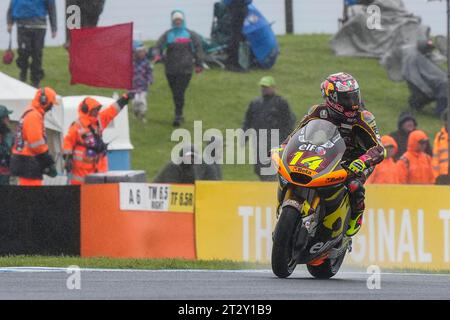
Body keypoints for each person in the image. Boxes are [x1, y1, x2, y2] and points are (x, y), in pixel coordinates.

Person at [283, 73, 385, 237]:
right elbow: (297, 134)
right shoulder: (318, 111)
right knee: (287, 173)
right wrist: (283, 147)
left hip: (355, 160)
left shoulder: (365, 117)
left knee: (354, 186)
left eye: (354, 96)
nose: (352, 103)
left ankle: (355, 217)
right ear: (332, 98)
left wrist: (363, 161)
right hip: (324, 155)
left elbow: (379, 148)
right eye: (346, 98)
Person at [62, 93, 133, 185]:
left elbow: (112, 111)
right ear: (86, 110)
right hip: (82, 173)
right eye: (94, 110)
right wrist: (68, 157)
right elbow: (68, 141)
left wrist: (124, 99)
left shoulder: (98, 120)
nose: (97, 112)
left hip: (99, 169)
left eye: (97, 109)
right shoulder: (77, 126)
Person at [153, 10, 204, 127]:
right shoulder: (168, 34)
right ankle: (179, 113)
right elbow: (158, 46)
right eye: (175, 20)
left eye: (179, 20)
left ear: (183, 21)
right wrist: (157, 55)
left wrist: (199, 64)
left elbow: (198, 49)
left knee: (179, 92)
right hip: (170, 69)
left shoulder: (191, 34)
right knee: (175, 92)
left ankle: (178, 115)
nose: (177, 22)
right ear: (172, 21)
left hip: (185, 69)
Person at [243, 76, 296, 181]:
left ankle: (272, 187)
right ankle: (265, 186)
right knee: (259, 167)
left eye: (266, 87)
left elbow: (289, 121)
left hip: (276, 142)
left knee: (273, 167)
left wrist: (286, 139)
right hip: (259, 141)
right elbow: (248, 121)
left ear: (273, 87)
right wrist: (244, 137)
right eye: (262, 86)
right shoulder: (255, 103)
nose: (264, 89)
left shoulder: (281, 103)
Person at [10, 87, 58, 186]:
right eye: (50, 104)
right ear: (44, 101)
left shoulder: (32, 113)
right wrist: (47, 160)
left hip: (26, 161)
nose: (51, 107)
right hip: (29, 162)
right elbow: (36, 143)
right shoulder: (34, 116)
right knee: (32, 198)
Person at [7, 0, 57, 87]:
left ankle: (35, 81)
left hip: (39, 26)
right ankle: (23, 74)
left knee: (37, 54)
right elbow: (12, 4)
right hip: (22, 26)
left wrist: (54, 27)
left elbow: (51, 7)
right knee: (23, 53)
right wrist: (10, 22)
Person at [402, 39, 447, 117]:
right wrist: (426, 89)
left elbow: (438, 62)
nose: (429, 51)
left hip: (430, 84)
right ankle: (440, 112)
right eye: (428, 48)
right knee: (444, 85)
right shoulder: (412, 58)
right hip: (422, 88)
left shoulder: (426, 56)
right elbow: (414, 77)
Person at [153, 144, 221, 183]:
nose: (191, 159)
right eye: (189, 156)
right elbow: (173, 187)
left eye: (193, 157)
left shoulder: (192, 169)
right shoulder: (173, 167)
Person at [223, 0, 252, 71]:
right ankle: (232, 63)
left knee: (237, 36)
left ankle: (233, 62)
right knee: (235, 37)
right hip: (237, 6)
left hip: (239, 6)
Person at [131, 40, 153, 123]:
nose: (142, 53)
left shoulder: (146, 63)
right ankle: (136, 113)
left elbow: (149, 72)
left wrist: (150, 80)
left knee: (142, 101)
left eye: (143, 51)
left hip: (143, 86)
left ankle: (143, 115)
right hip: (133, 86)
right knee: (135, 101)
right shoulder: (131, 63)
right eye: (140, 52)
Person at [432, 110, 448, 180]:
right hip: (443, 177)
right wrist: (436, 177)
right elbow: (435, 158)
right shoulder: (439, 137)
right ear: (444, 122)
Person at [0, 105, 14, 185]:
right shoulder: (6, 133)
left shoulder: (6, 132)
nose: (8, 119)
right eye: (6, 116)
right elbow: (7, 150)